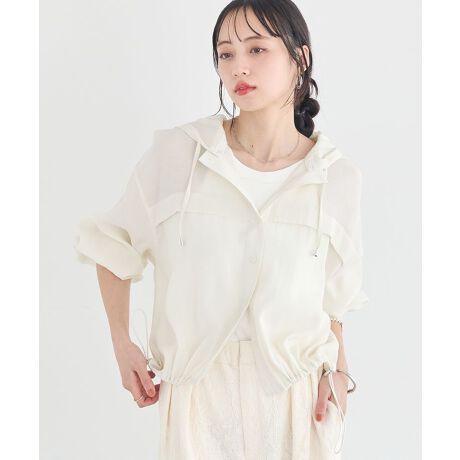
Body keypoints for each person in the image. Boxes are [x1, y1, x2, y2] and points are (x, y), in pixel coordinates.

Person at [74, 1, 369, 458]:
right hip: (198, 400)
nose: (238, 67)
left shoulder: (336, 176)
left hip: (295, 404)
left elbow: (334, 300)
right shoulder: (179, 156)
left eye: (256, 49)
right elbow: (112, 243)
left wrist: (339, 374)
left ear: (300, 57)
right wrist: (122, 342)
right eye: (226, 53)